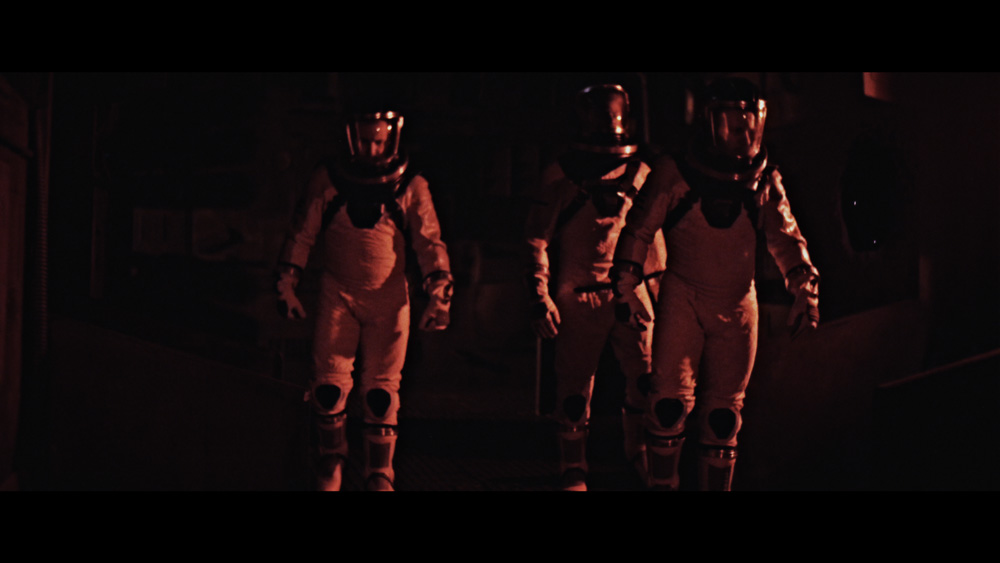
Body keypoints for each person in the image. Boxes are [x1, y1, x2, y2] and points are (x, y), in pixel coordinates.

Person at [611, 77, 820, 491]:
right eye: (732, 123)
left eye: (749, 123)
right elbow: (639, 229)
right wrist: (626, 286)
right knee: (668, 406)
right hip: (683, 297)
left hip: (738, 302)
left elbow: (786, 237)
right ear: (709, 123)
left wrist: (804, 289)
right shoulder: (675, 173)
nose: (742, 134)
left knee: (724, 418)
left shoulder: (763, 178)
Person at [275, 110, 453, 491]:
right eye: (366, 141)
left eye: (378, 142)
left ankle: (379, 472)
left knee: (380, 393)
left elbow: (429, 242)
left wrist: (440, 293)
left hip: (389, 299)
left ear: (392, 141)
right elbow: (302, 232)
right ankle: (331, 460)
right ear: (352, 139)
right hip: (338, 294)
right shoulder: (329, 180)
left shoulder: (411, 185)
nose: (372, 150)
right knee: (328, 388)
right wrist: (286, 282)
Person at [524, 84, 667, 491]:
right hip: (581, 295)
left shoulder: (641, 173)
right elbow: (536, 239)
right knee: (574, 388)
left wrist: (662, 293)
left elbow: (652, 241)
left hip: (630, 292)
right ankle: (573, 466)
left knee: (646, 379)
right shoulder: (561, 176)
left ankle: (638, 450)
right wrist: (539, 295)